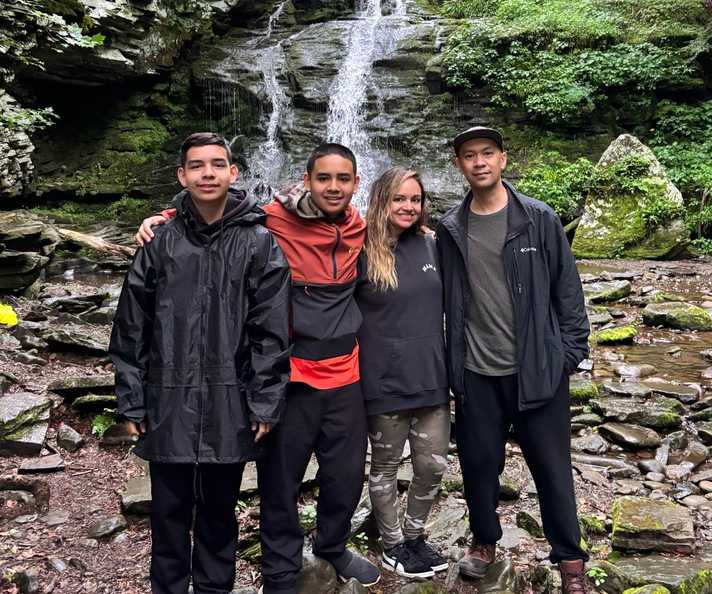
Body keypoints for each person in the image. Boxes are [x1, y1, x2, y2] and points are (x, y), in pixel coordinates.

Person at [134, 143, 380, 594]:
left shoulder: (361, 227)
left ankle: (333, 544)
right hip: (291, 373)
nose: (333, 187)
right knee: (280, 482)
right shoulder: (270, 221)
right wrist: (163, 220)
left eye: (342, 179)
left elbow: (406, 226)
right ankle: (281, 572)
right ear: (307, 180)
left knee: (345, 476)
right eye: (323, 178)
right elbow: (217, 216)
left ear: (355, 184)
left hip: (346, 374)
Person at [110, 132, 291, 594]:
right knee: (167, 514)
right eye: (196, 165)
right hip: (167, 399)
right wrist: (131, 401)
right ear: (182, 176)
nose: (207, 173)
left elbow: (270, 332)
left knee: (217, 513)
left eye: (216, 164)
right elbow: (132, 327)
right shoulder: (159, 242)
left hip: (231, 400)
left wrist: (266, 403)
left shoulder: (259, 243)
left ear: (233, 173)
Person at [435, 126, 591, 594]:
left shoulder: (538, 219)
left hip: (538, 370)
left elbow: (568, 288)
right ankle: (484, 541)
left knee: (552, 470)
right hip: (477, 373)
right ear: (460, 165)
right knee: (479, 466)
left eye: (487, 153)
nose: (479, 162)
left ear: (503, 160)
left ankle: (570, 559)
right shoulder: (450, 228)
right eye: (468, 155)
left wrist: (570, 354)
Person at [356, 167, 450, 579]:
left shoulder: (433, 245)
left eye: (415, 199)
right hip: (382, 378)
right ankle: (392, 545)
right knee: (386, 468)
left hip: (431, 375)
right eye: (400, 199)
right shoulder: (359, 247)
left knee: (432, 466)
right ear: (381, 200)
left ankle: (415, 536)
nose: (409, 207)